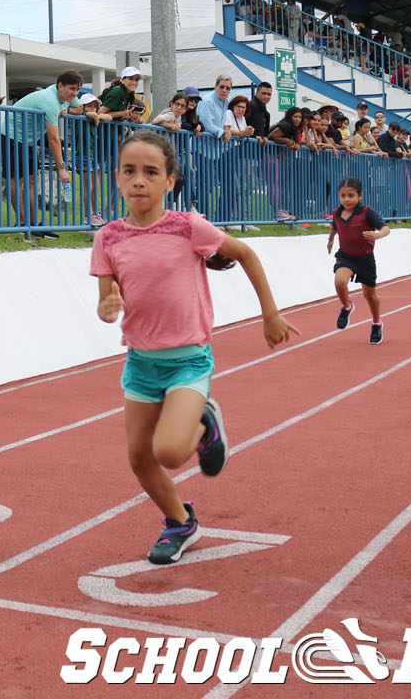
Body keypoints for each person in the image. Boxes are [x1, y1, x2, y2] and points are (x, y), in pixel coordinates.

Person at [91, 129, 297, 564]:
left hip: (188, 361)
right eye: (130, 171)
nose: (139, 181)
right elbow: (107, 300)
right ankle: (180, 522)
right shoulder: (107, 238)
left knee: (168, 452)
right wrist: (108, 304)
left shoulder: (188, 228)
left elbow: (245, 254)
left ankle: (205, 423)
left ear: (169, 181)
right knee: (140, 459)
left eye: (151, 172)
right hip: (141, 363)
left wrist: (270, 314)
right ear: (117, 179)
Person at [0, 70, 82, 238]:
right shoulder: (49, 100)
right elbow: (53, 139)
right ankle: (22, 223)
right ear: (60, 86)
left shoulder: (66, 98)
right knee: (16, 179)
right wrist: (62, 169)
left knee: (31, 179)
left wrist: (67, 110)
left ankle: (33, 223)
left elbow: (80, 108)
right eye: (72, 89)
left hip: (29, 139)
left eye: (78, 89)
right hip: (12, 135)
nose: (75, 93)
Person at [326, 176, 390, 343]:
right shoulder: (337, 213)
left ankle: (376, 323)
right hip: (346, 256)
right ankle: (347, 306)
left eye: (351, 195)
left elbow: (386, 228)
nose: (346, 199)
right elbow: (335, 226)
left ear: (360, 196)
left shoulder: (366, 212)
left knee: (369, 295)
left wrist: (377, 235)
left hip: (365, 259)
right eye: (343, 195)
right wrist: (330, 240)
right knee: (339, 282)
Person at [71, 91, 115, 227]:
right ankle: (88, 215)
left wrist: (97, 115)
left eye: (94, 106)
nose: (92, 109)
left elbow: (109, 118)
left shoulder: (93, 116)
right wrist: (93, 114)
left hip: (91, 154)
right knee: (88, 185)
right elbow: (89, 114)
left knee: (95, 184)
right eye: (89, 106)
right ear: (82, 107)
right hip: (82, 154)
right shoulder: (82, 116)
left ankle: (95, 213)